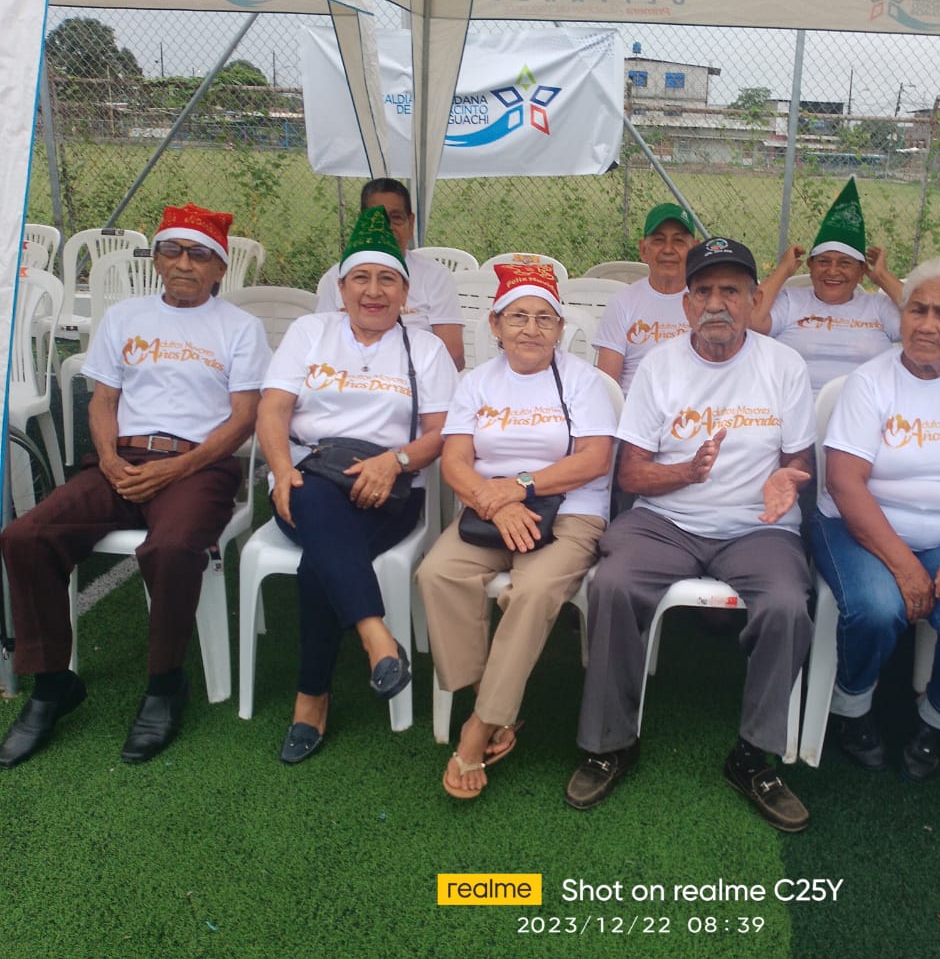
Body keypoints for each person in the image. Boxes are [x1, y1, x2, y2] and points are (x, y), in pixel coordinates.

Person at [0, 202, 270, 767]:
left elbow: (244, 418)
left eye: (199, 255)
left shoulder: (239, 328)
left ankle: (165, 685)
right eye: (172, 250)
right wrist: (107, 459)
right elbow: (103, 401)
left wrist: (178, 469)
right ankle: (52, 686)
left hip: (200, 466)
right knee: (26, 537)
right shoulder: (125, 317)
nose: (184, 264)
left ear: (220, 269)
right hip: (121, 459)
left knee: (171, 549)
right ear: (157, 260)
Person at [567, 238, 816, 832]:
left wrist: (786, 480)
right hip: (666, 522)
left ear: (753, 300)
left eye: (731, 290)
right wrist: (686, 473)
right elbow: (630, 475)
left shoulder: (784, 366)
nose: (716, 303)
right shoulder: (660, 366)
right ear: (686, 305)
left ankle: (753, 757)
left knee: (787, 604)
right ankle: (610, 743)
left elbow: (799, 459)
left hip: (756, 527)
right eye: (703, 291)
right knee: (613, 584)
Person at [809, 258, 940, 780]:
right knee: (877, 608)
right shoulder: (869, 382)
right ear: (901, 318)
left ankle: (939, 718)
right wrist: (905, 567)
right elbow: (845, 482)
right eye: (917, 310)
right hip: (862, 527)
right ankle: (852, 706)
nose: (927, 324)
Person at [258, 205, 457, 764]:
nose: (373, 291)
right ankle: (376, 639)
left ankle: (312, 698)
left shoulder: (425, 349)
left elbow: (443, 434)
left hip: (388, 491)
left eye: (387, 279)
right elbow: (273, 410)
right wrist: (281, 470)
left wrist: (395, 460)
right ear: (341, 287)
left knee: (318, 562)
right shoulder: (310, 332)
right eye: (361, 278)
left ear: (405, 292)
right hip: (306, 476)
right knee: (314, 498)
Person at [418, 263, 616, 799]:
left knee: (532, 591)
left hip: (571, 510)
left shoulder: (583, 381)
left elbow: (594, 459)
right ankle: (490, 696)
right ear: (495, 325)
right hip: (490, 510)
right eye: (518, 317)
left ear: (560, 328)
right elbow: (455, 460)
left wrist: (519, 486)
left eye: (544, 318)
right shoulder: (476, 382)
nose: (531, 329)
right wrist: (495, 501)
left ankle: (479, 725)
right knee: (437, 573)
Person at [749, 177, 903, 398]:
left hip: (865, 408)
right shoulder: (791, 300)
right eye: (823, 261)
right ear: (810, 266)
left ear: (861, 271)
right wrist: (783, 270)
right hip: (796, 407)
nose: (832, 271)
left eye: (845, 263)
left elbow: (927, 322)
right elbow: (751, 320)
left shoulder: (878, 307)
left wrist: (884, 277)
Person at [316, 178, 465, 370]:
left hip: (415, 378)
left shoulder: (435, 276)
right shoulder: (337, 275)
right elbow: (322, 345)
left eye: (396, 218)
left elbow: (453, 357)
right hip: (348, 378)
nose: (387, 227)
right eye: (378, 218)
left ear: (411, 223)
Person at [592, 202, 698, 394]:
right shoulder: (622, 303)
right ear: (643, 250)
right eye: (658, 240)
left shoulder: (706, 304)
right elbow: (607, 386)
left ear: (695, 249)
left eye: (678, 241)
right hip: (634, 408)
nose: (668, 249)